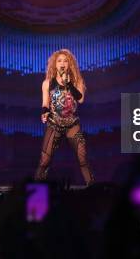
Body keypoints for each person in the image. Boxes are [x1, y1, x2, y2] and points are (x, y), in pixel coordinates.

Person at [34, 49, 94, 186]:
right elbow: (45, 103)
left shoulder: (77, 81)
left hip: (72, 124)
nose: (62, 63)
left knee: (82, 158)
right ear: (55, 64)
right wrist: (44, 113)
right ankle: (36, 197)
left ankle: (93, 190)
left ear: (69, 64)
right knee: (44, 160)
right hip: (54, 123)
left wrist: (69, 84)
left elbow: (80, 99)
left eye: (65, 61)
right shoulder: (47, 83)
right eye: (59, 60)